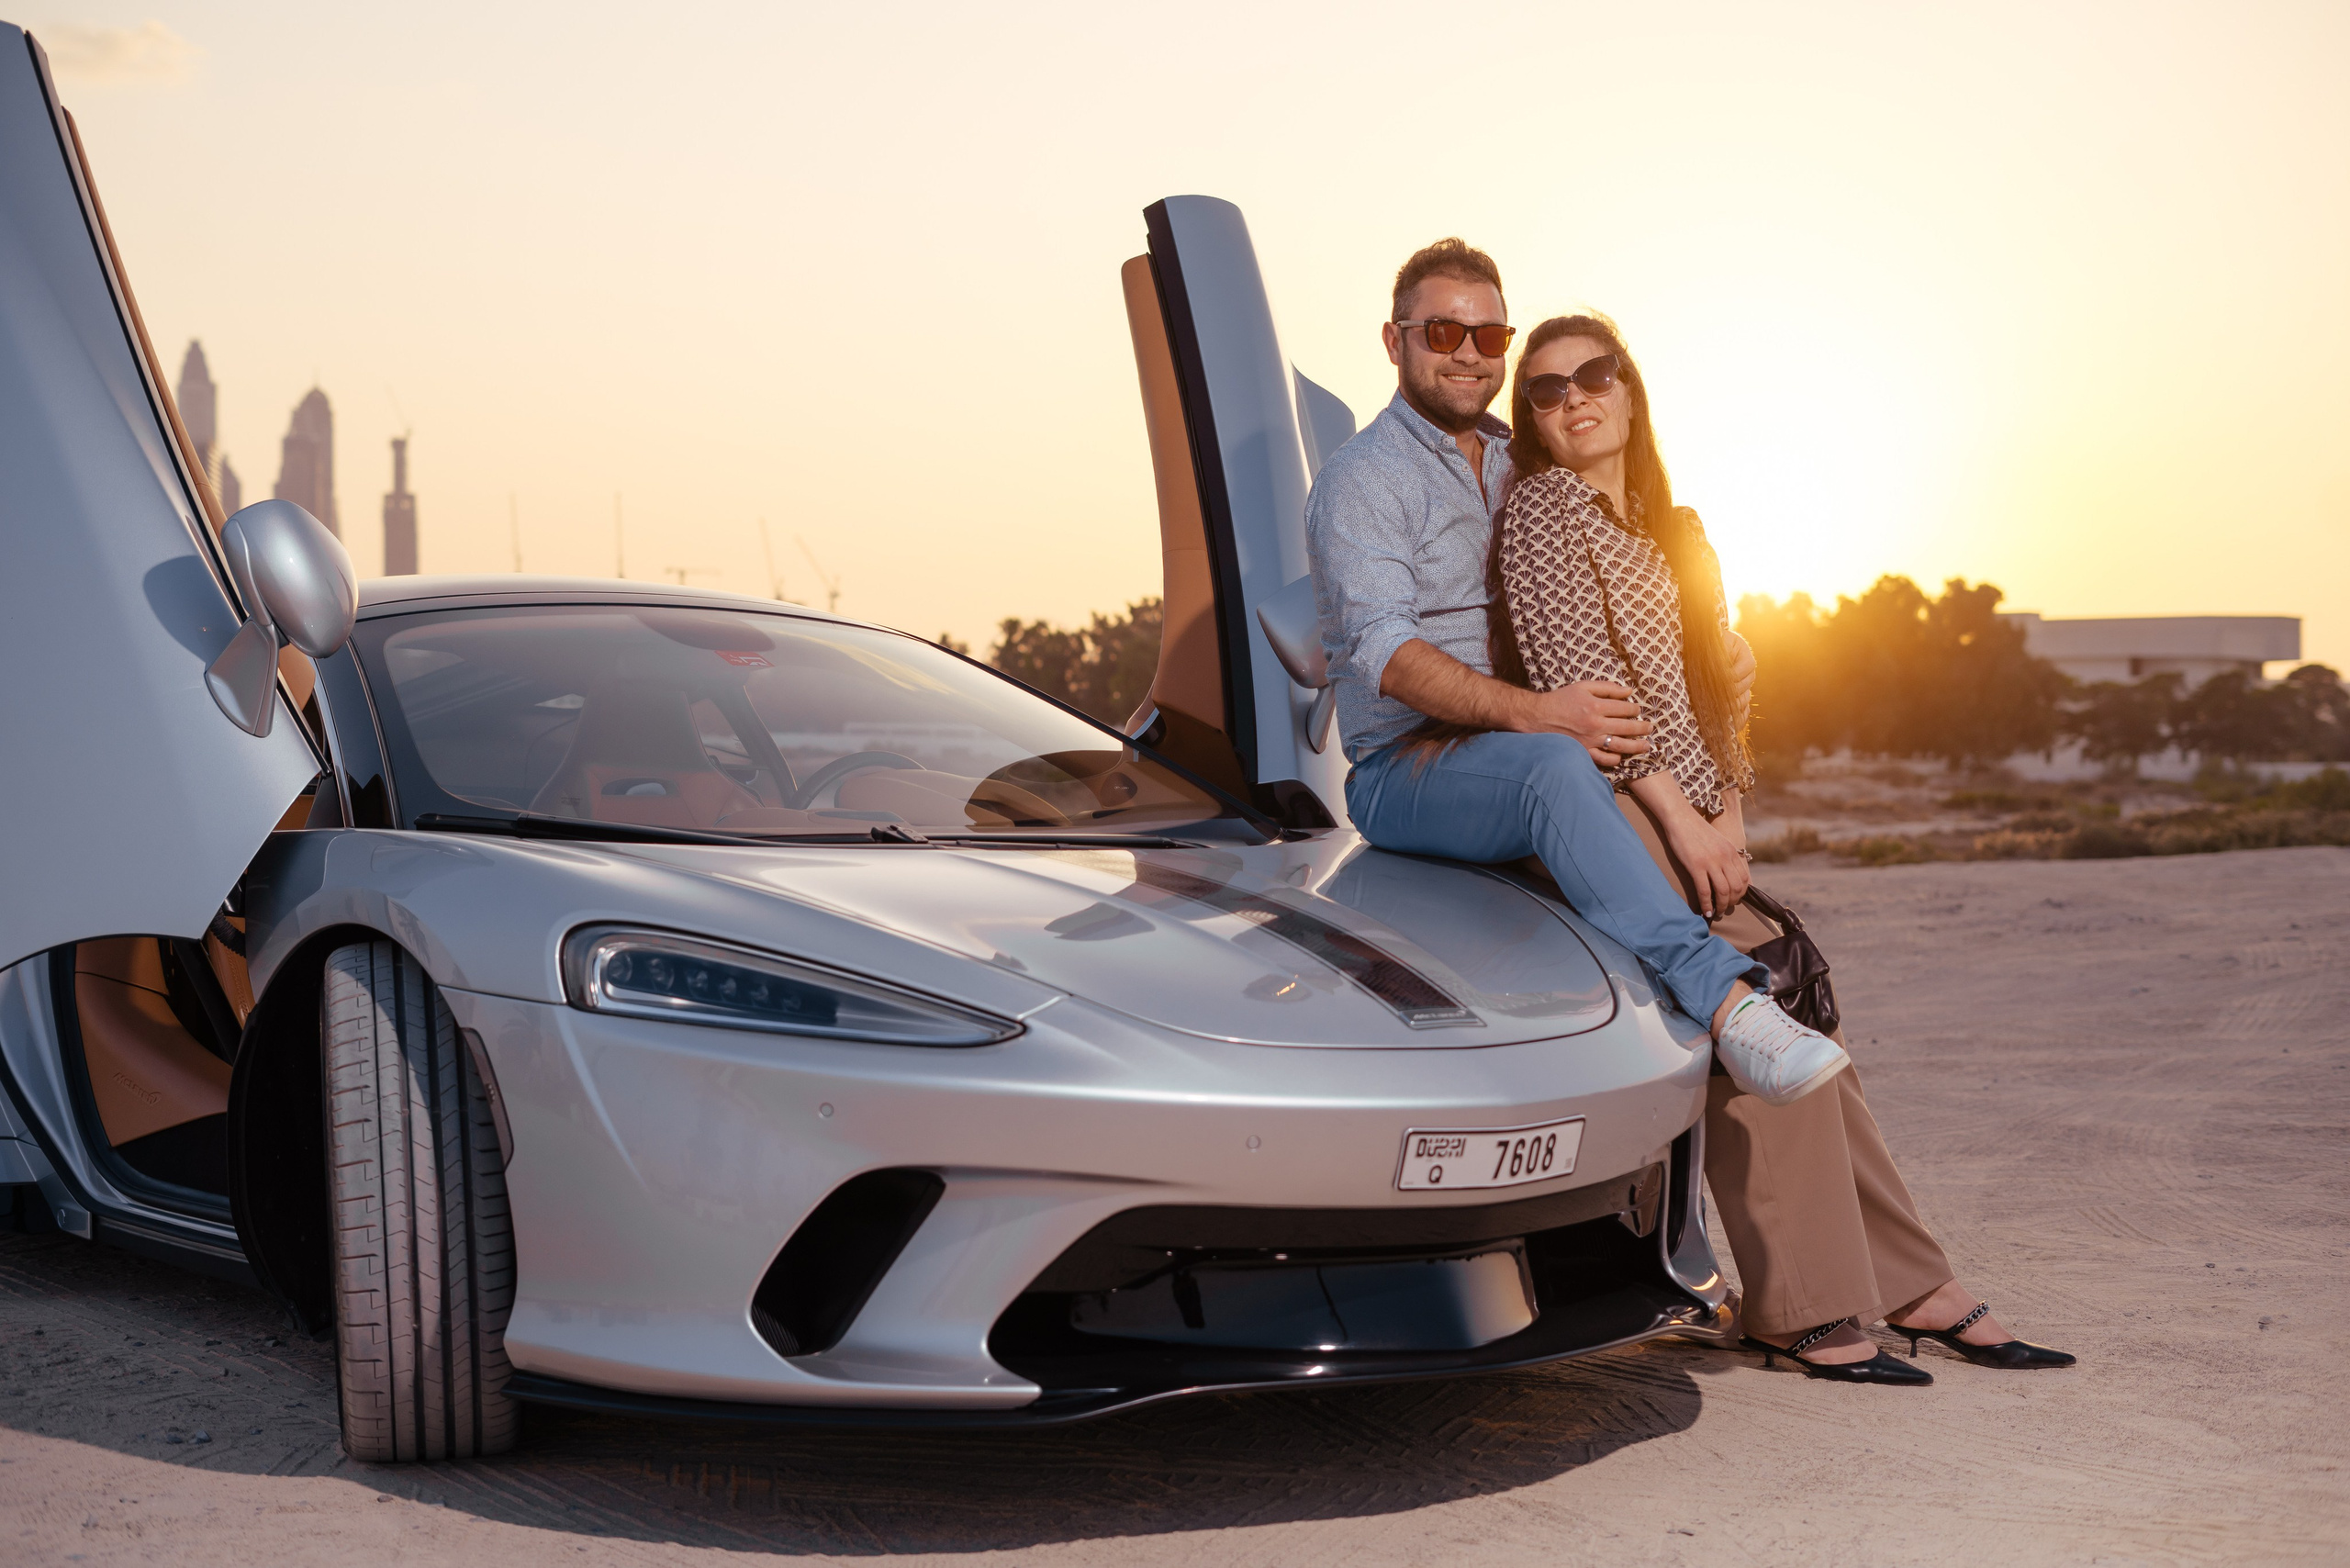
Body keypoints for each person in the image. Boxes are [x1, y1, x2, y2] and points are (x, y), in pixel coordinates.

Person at [1486, 308, 2076, 1383]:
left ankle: (1910, 1284)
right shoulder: (1542, 511)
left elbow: (1724, 692)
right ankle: (1801, 1306)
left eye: (1593, 375)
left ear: (1629, 391)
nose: (1571, 397)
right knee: (1752, 1015)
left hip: (1697, 809)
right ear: (1529, 418)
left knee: (1792, 1019)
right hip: (1614, 808)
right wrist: (1680, 821)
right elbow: (1592, 700)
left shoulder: (1677, 528)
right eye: (1543, 389)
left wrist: (1732, 813)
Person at [1306, 240, 1848, 1108]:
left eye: (1491, 336)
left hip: (1537, 746)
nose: (1469, 354)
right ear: (1395, 339)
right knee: (1555, 764)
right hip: (1411, 766)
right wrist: (1537, 714)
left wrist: (1709, 641)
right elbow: (1389, 657)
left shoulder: (1522, 461)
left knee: (1569, 767)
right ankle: (1727, 1002)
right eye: (1444, 331)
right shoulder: (1364, 479)